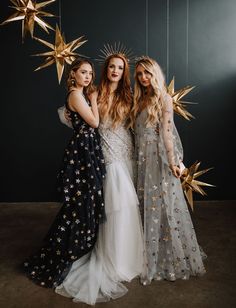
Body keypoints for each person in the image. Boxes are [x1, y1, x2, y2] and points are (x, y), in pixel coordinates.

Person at [56, 53, 144, 305]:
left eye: (120, 67)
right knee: (114, 208)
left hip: (126, 151)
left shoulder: (128, 94)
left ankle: (130, 256)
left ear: (124, 71)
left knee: (129, 207)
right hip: (107, 155)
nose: (115, 71)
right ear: (105, 70)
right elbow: (76, 117)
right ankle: (114, 259)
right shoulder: (94, 92)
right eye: (112, 67)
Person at [23, 58, 106, 288]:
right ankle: (65, 252)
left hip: (87, 149)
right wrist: (94, 100)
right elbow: (94, 122)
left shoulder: (78, 94)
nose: (88, 77)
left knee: (85, 202)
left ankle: (82, 247)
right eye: (83, 72)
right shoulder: (77, 95)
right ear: (74, 74)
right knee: (79, 204)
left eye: (90, 73)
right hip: (81, 153)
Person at [130, 56, 206, 284]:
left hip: (157, 156)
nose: (143, 77)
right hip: (140, 156)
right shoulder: (139, 98)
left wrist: (173, 161)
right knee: (145, 200)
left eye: (147, 73)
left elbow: (167, 132)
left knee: (162, 202)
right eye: (140, 74)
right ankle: (144, 252)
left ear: (155, 74)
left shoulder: (163, 98)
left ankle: (166, 256)